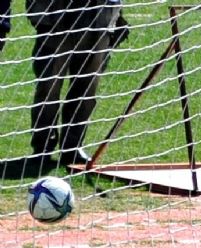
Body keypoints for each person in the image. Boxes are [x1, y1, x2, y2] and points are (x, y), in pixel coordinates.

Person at [26, 0, 130, 166]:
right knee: (48, 87)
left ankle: (73, 147)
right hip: (56, 20)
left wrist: (115, 17)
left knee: (86, 89)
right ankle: (42, 147)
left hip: (98, 21)